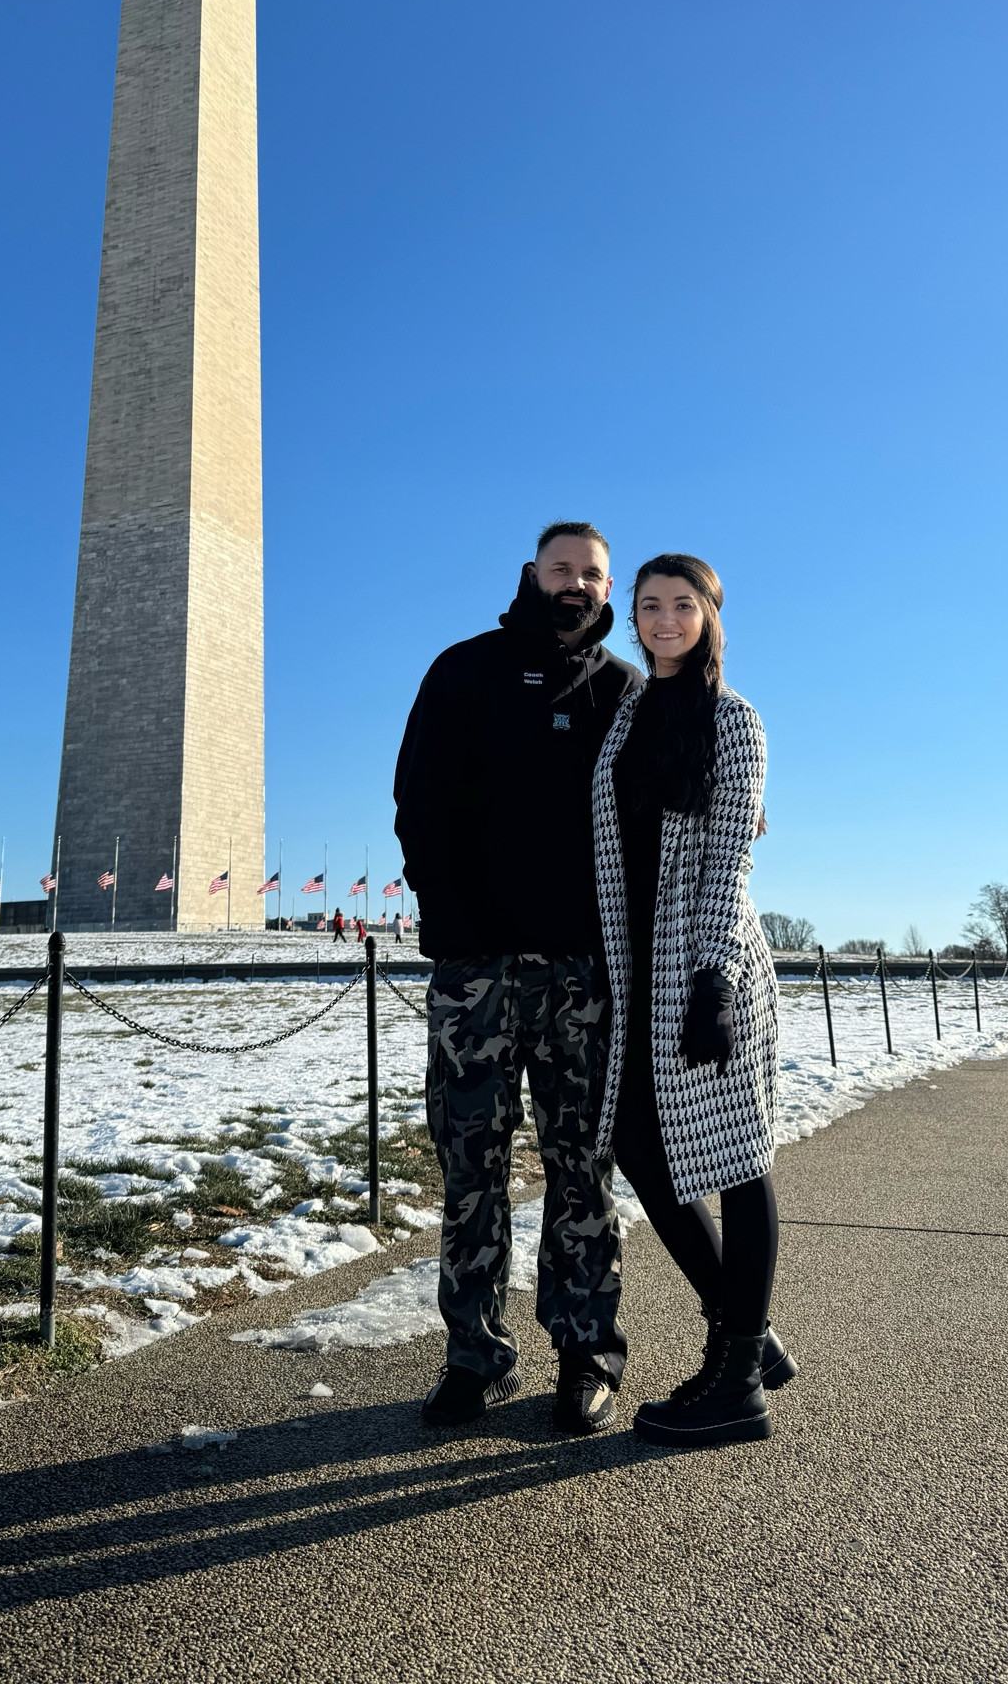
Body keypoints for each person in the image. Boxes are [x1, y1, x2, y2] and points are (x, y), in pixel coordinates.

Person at [395, 522, 642, 1432]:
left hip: (584, 976)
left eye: (592, 573)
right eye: (561, 568)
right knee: (472, 1172)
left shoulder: (625, 689)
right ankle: (475, 1357)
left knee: (583, 1171)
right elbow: (419, 803)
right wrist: (455, 924)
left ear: (607, 587)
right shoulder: (463, 670)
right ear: (531, 574)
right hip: (478, 975)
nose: (576, 584)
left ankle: (587, 1354)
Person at [591, 553, 796, 1448]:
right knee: (641, 1146)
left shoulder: (734, 718)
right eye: (650, 605)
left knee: (740, 1160)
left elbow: (729, 858)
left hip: (709, 966)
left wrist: (713, 976)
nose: (665, 619)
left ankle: (737, 1380)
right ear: (633, 617)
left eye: (683, 605)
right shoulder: (628, 713)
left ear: (710, 615)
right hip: (636, 967)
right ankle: (746, 1333)